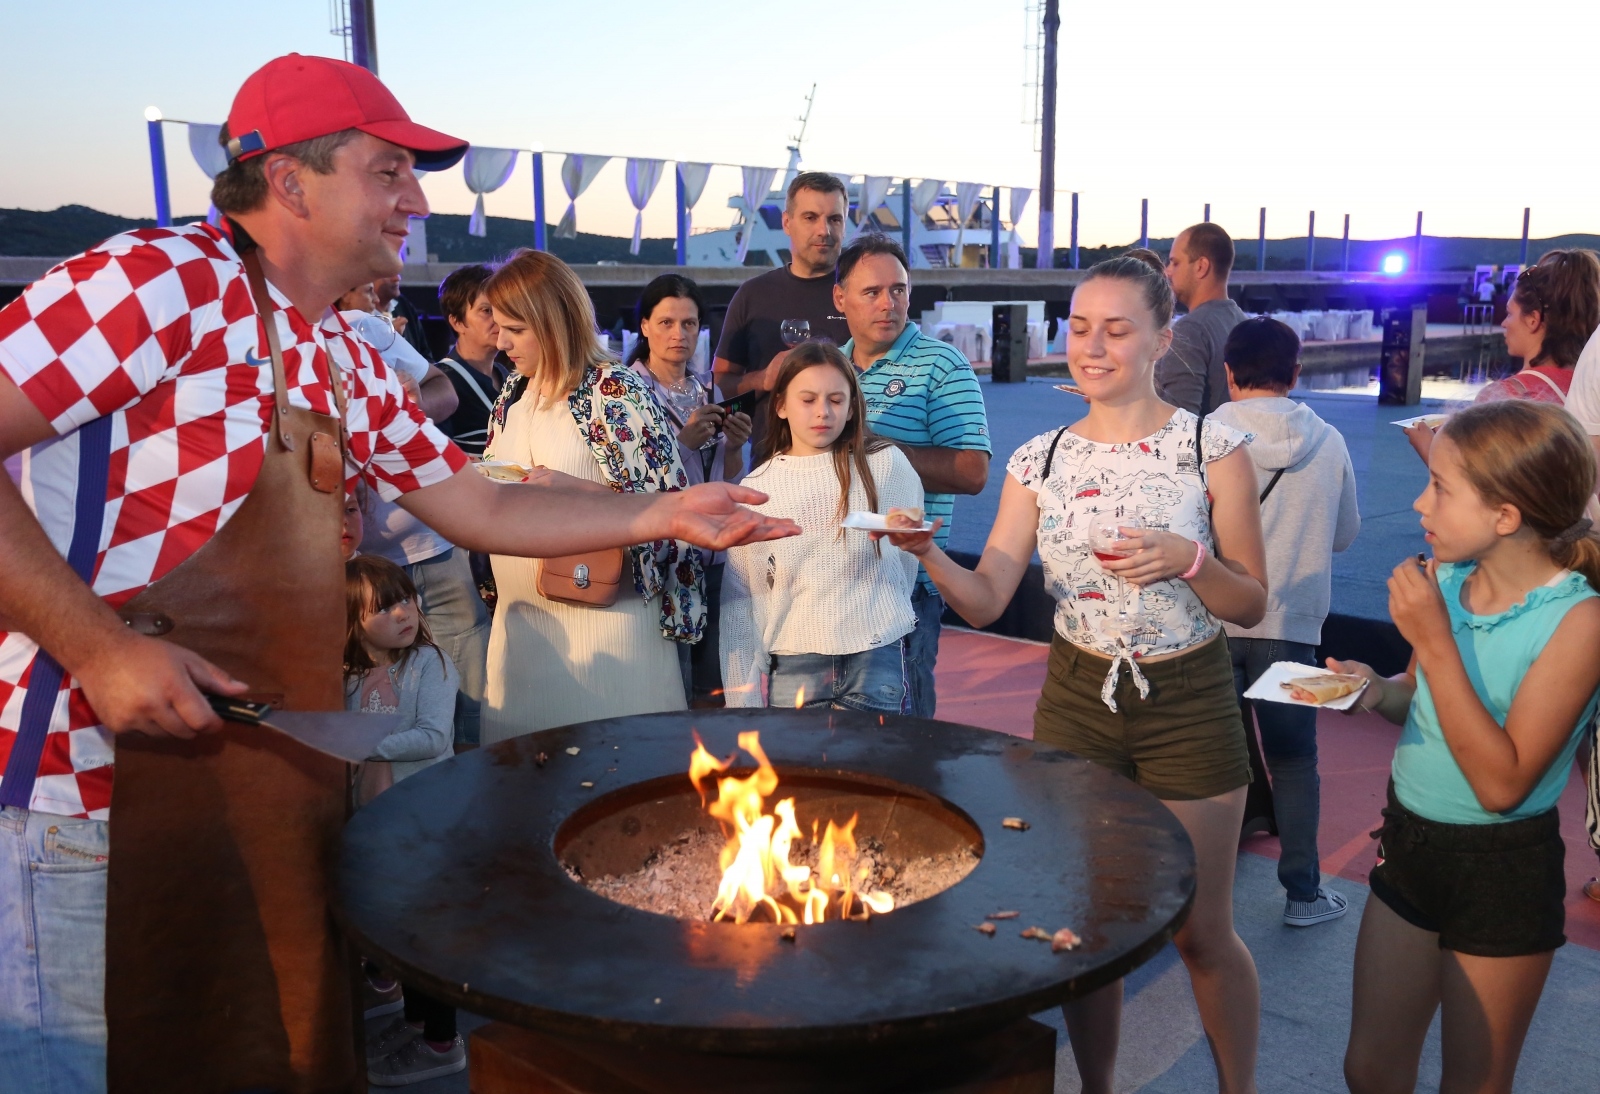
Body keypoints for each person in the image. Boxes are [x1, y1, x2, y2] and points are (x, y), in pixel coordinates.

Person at [0, 53, 793, 1093]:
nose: (417, 199)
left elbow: (480, 503)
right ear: (289, 180)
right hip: (86, 798)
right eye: (388, 171)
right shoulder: (154, 284)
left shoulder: (345, 352)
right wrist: (98, 646)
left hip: (263, 787)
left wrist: (658, 510)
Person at [885, 256, 1267, 1094]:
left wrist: (1189, 559)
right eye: (1081, 327)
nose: (1092, 346)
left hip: (1189, 698)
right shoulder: (1039, 459)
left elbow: (1248, 600)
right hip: (1076, 702)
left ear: (1163, 339)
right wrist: (928, 557)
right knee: (1086, 928)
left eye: (1117, 329)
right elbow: (987, 599)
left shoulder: (1212, 447)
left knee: (1202, 930)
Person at [1335, 400, 1600, 1094]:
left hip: (1502, 868)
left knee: (1475, 1082)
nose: (1420, 500)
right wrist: (1376, 690)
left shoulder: (1578, 622)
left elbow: (1503, 784)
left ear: (1505, 516)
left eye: (1441, 487)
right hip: (1410, 844)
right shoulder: (1449, 581)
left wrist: (1432, 639)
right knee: (1369, 1069)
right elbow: (1419, 697)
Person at [479, 250, 705, 743]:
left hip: (609, 625)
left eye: (514, 329)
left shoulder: (613, 390)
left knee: (616, 777)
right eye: (498, 327)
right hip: (523, 630)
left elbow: (669, 510)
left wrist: (573, 488)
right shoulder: (512, 395)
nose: (500, 342)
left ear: (552, 320)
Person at [1209, 317, 1361, 926]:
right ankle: (1303, 893)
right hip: (1294, 627)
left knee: (1205, 761)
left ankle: (1196, 891)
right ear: (1296, 372)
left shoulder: (1201, 436)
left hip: (1212, 623)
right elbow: (1345, 535)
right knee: (1296, 761)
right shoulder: (1330, 440)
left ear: (1228, 371)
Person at [835, 235, 990, 717]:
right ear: (840, 298)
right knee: (825, 736)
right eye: (872, 292)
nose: (889, 303)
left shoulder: (943, 365)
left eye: (898, 290)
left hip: (905, 583)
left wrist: (874, 445)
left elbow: (972, 472)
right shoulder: (830, 368)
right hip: (832, 575)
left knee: (901, 733)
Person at [721, 342, 922, 712]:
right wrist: (742, 703)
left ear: (851, 408)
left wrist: (875, 616)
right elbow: (741, 598)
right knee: (800, 772)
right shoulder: (758, 489)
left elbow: (905, 563)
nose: (823, 412)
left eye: (835, 399)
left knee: (872, 769)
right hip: (795, 660)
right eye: (808, 399)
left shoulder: (887, 466)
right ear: (780, 405)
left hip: (875, 654)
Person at [342, 556, 464, 1084]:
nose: (404, 612)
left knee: (425, 937)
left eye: (407, 599)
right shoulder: (347, 672)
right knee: (396, 928)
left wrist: (361, 744)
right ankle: (414, 1022)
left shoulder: (430, 665)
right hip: (377, 823)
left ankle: (441, 1043)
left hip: (424, 824)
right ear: (353, 622)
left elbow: (435, 737)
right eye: (385, 606)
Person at [627, 274, 753, 707]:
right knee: (669, 687)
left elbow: (728, 479)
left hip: (713, 552)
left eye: (689, 324)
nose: (678, 334)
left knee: (716, 686)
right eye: (666, 323)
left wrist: (734, 446)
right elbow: (630, 479)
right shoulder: (628, 394)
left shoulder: (706, 389)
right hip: (664, 559)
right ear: (644, 326)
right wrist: (683, 445)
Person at [1406, 249, 1600, 464]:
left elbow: (1478, 493)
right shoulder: (1589, 386)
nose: (1504, 323)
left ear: (1533, 320)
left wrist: (1429, 448)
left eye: (1509, 313)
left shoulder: (1503, 399)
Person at [713, 171, 851, 406]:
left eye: (834, 219)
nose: (824, 230)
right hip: (769, 443)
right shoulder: (752, 295)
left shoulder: (862, 295)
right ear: (787, 223)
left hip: (846, 442)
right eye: (810, 217)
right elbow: (718, 388)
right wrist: (763, 379)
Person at [1158, 222, 1247, 416]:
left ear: (1201, 267)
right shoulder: (1242, 322)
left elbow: (1178, 423)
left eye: (1175, 262)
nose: (1167, 271)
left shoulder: (1191, 330)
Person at [338, 282, 459, 422]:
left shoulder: (368, 325)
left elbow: (443, 389)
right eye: (368, 291)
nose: (376, 299)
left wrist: (416, 407)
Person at [433, 263, 510, 457]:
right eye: (486, 311)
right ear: (457, 322)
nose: (499, 319)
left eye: (502, 308)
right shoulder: (441, 383)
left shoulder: (509, 377)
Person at [374, 270, 432, 360]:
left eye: (397, 272)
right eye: (389, 273)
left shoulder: (404, 305)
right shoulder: (357, 318)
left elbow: (425, 356)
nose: (397, 278)